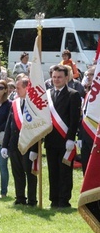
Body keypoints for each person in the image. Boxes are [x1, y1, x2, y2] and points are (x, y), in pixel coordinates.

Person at [45, 65, 81, 208]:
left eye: (59, 77)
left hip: (66, 140)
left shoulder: (73, 94)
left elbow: (74, 119)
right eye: (54, 77)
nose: (56, 80)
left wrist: (71, 138)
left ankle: (64, 200)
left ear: (67, 78)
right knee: (53, 171)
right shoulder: (47, 94)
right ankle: (54, 199)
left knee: (65, 171)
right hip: (51, 140)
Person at [2, 76, 38, 206]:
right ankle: (20, 198)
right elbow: (8, 125)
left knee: (30, 173)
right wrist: (5, 145)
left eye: (18, 88)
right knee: (17, 172)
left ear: (26, 88)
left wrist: (35, 149)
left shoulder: (35, 105)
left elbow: (38, 128)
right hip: (14, 144)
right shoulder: (15, 103)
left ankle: (32, 200)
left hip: (29, 144)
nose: (15, 90)